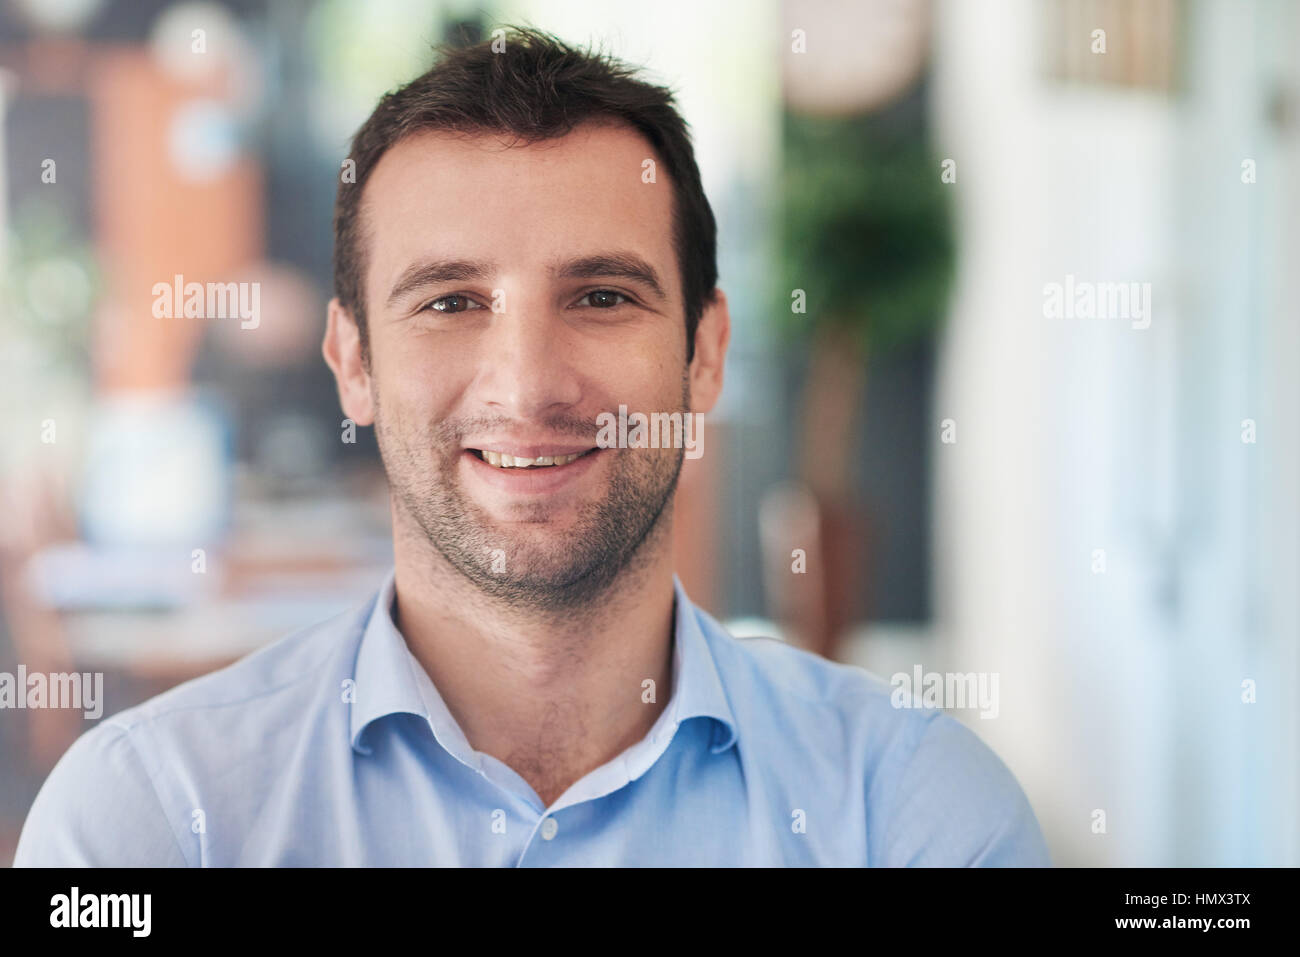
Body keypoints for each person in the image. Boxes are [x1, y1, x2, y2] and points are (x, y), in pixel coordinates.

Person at [15, 26, 1049, 866]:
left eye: (601, 297)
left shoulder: (916, 818)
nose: (527, 384)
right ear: (354, 363)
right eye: (450, 300)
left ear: (704, 352)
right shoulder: (143, 825)